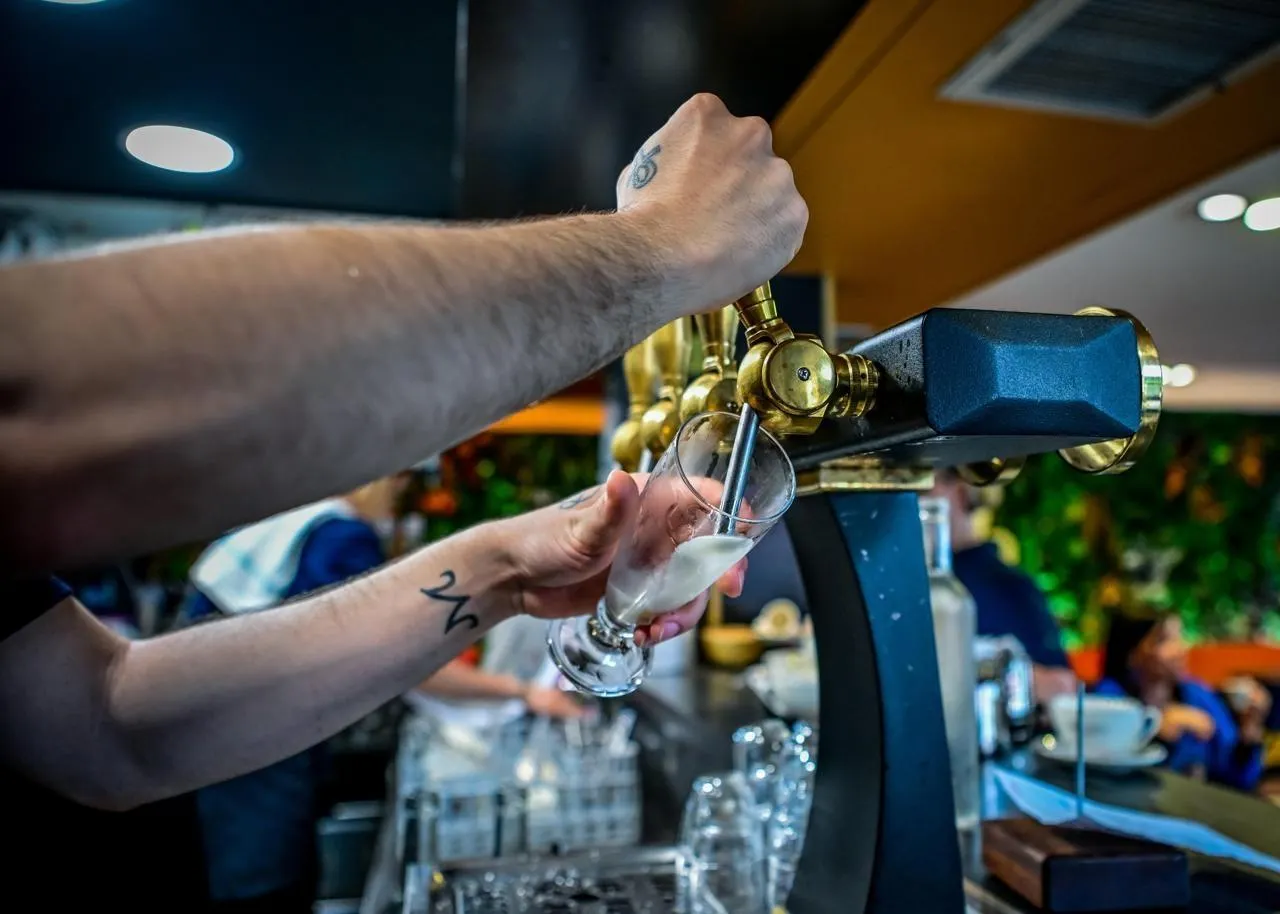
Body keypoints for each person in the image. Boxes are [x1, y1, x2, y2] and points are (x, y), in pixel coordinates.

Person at [0, 92, 777, 905]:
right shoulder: (334, 532)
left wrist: (506, 570)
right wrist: (661, 248)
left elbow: (106, 723)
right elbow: (31, 405)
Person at [179, 474, 407, 914]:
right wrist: (517, 692)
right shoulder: (343, 536)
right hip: (265, 747)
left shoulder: (294, 523)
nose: (399, 496)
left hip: (215, 734)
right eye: (397, 482)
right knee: (269, 877)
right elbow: (382, 646)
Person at [931, 470, 1077, 703]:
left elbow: (1063, 687)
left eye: (923, 490)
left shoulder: (1010, 588)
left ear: (961, 492)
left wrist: (987, 671)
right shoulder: (902, 584)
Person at [1096, 613, 1268, 792]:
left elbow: (1236, 780)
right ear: (1132, 653)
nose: (1180, 649)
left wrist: (1249, 730)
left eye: (1179, 638)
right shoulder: (1107, 700)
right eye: (1164, 641)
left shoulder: (1197, 696)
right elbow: (1104, 768)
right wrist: (1158, 730)